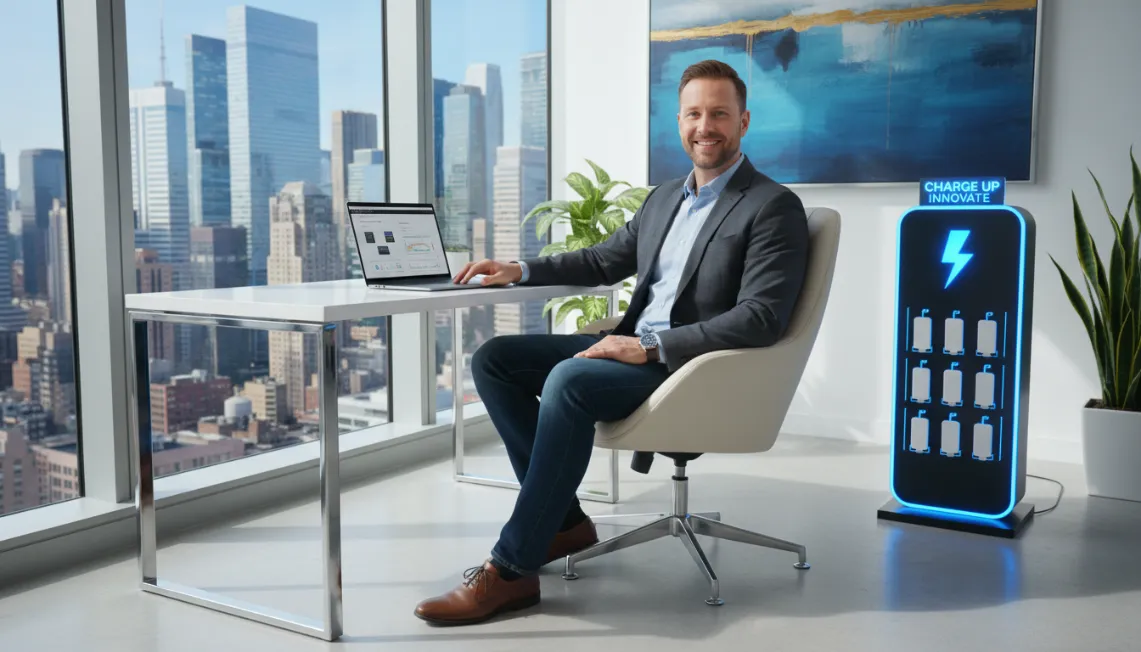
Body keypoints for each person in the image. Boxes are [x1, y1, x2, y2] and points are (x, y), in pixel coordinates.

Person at [414, 59, 810, 626]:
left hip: (688, 366)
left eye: (719, 113)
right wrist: (519, 270)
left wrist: (650, 348)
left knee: (570, 381)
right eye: (694, 113)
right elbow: (602, 259)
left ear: (743, 121)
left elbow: (761, 318)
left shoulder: (771, 206)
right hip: (635, 349)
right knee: (495, 361)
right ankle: (567, 523)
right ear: (679, 122)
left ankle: (511, 569)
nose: (706, 126)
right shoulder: (662, 199)